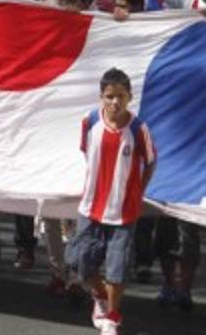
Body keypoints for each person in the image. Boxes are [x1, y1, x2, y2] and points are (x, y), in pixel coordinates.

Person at [65, 68, 157, 335]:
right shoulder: (89, 121)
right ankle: (100, 297)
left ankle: (112, 317)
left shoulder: (139, 129)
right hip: (90, 209)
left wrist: (137, 192)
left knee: (116, 270)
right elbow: (87, 153)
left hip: (123, 214)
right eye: (109, 96)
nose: (115, 102)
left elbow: (150, 162)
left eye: (121, 96)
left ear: (130, 97)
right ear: (101, 98)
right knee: (79, 264)